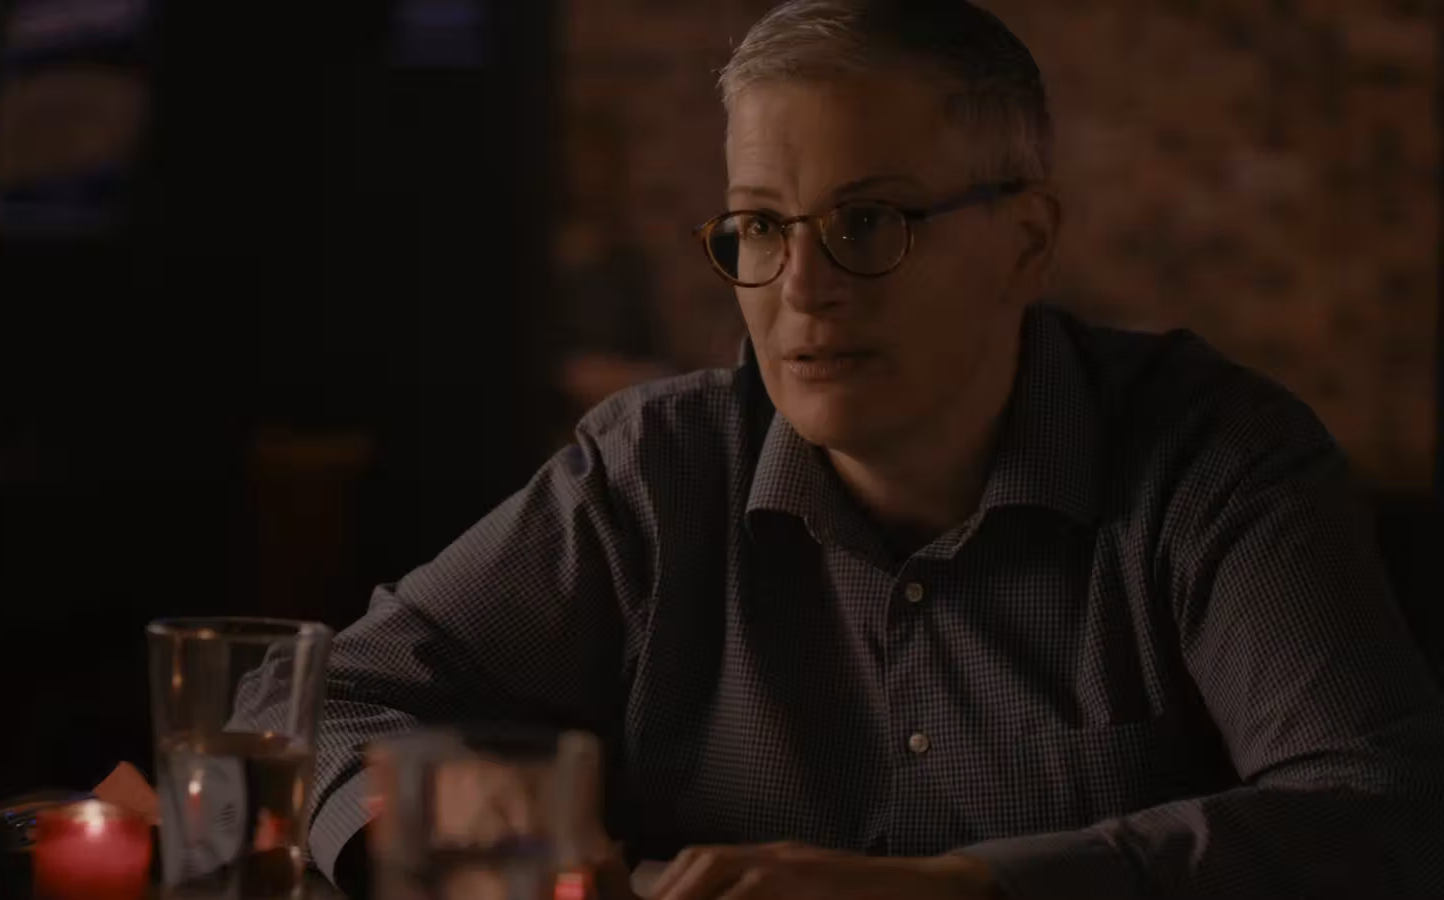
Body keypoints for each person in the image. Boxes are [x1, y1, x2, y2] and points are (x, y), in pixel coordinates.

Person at [300, 2, 1444, 898]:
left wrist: (968, 890)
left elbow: (1386, 815)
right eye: (761, 226)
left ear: (1027, 241)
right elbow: (317, 699)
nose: (803, 289)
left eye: (869, 223)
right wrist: (442, 817)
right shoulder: (655, 468)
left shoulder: (1216, 462)